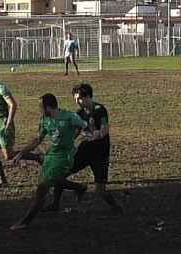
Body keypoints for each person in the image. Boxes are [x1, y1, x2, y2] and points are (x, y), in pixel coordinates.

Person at [10, 93, 90, 230]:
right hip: (51, 157)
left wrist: (85, 135)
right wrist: (22, 153)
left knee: (42, 188)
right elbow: (38, 139)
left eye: (41, 107)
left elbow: (85, 126)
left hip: (64, 159)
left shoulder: (69, 116)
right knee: (51, 181)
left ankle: (25, 221)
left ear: (47, 108)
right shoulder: (45, 120)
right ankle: (78, 187)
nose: (40, 110)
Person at [47, 82, 125, 213]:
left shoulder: (100, 110)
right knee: (61, 174)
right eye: (76, 99)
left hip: (99, 153)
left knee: (100, 189)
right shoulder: (79, 113)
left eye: (79, 98)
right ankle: (56, 203)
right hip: (84, 150)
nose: (77, 102)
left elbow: (106, 127)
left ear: (88, 97)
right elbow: (76, 130)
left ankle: (116, 206)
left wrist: (98, 135)